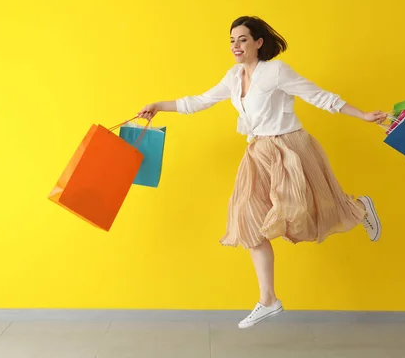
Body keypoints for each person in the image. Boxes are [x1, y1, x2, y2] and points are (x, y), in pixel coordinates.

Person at [138, 16, 386, 329]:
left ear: (258, 42)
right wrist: (159, 105)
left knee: (311, 210)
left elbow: (319, 96)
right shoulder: (233, 76)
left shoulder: (276, 72)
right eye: (231, 41)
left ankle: (361, 207)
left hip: (291, 148)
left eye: (242, 39)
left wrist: (362, 114)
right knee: (247, 220)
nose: (235, 46)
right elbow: (199, 101)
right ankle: (268, 299)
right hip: (258, 153)